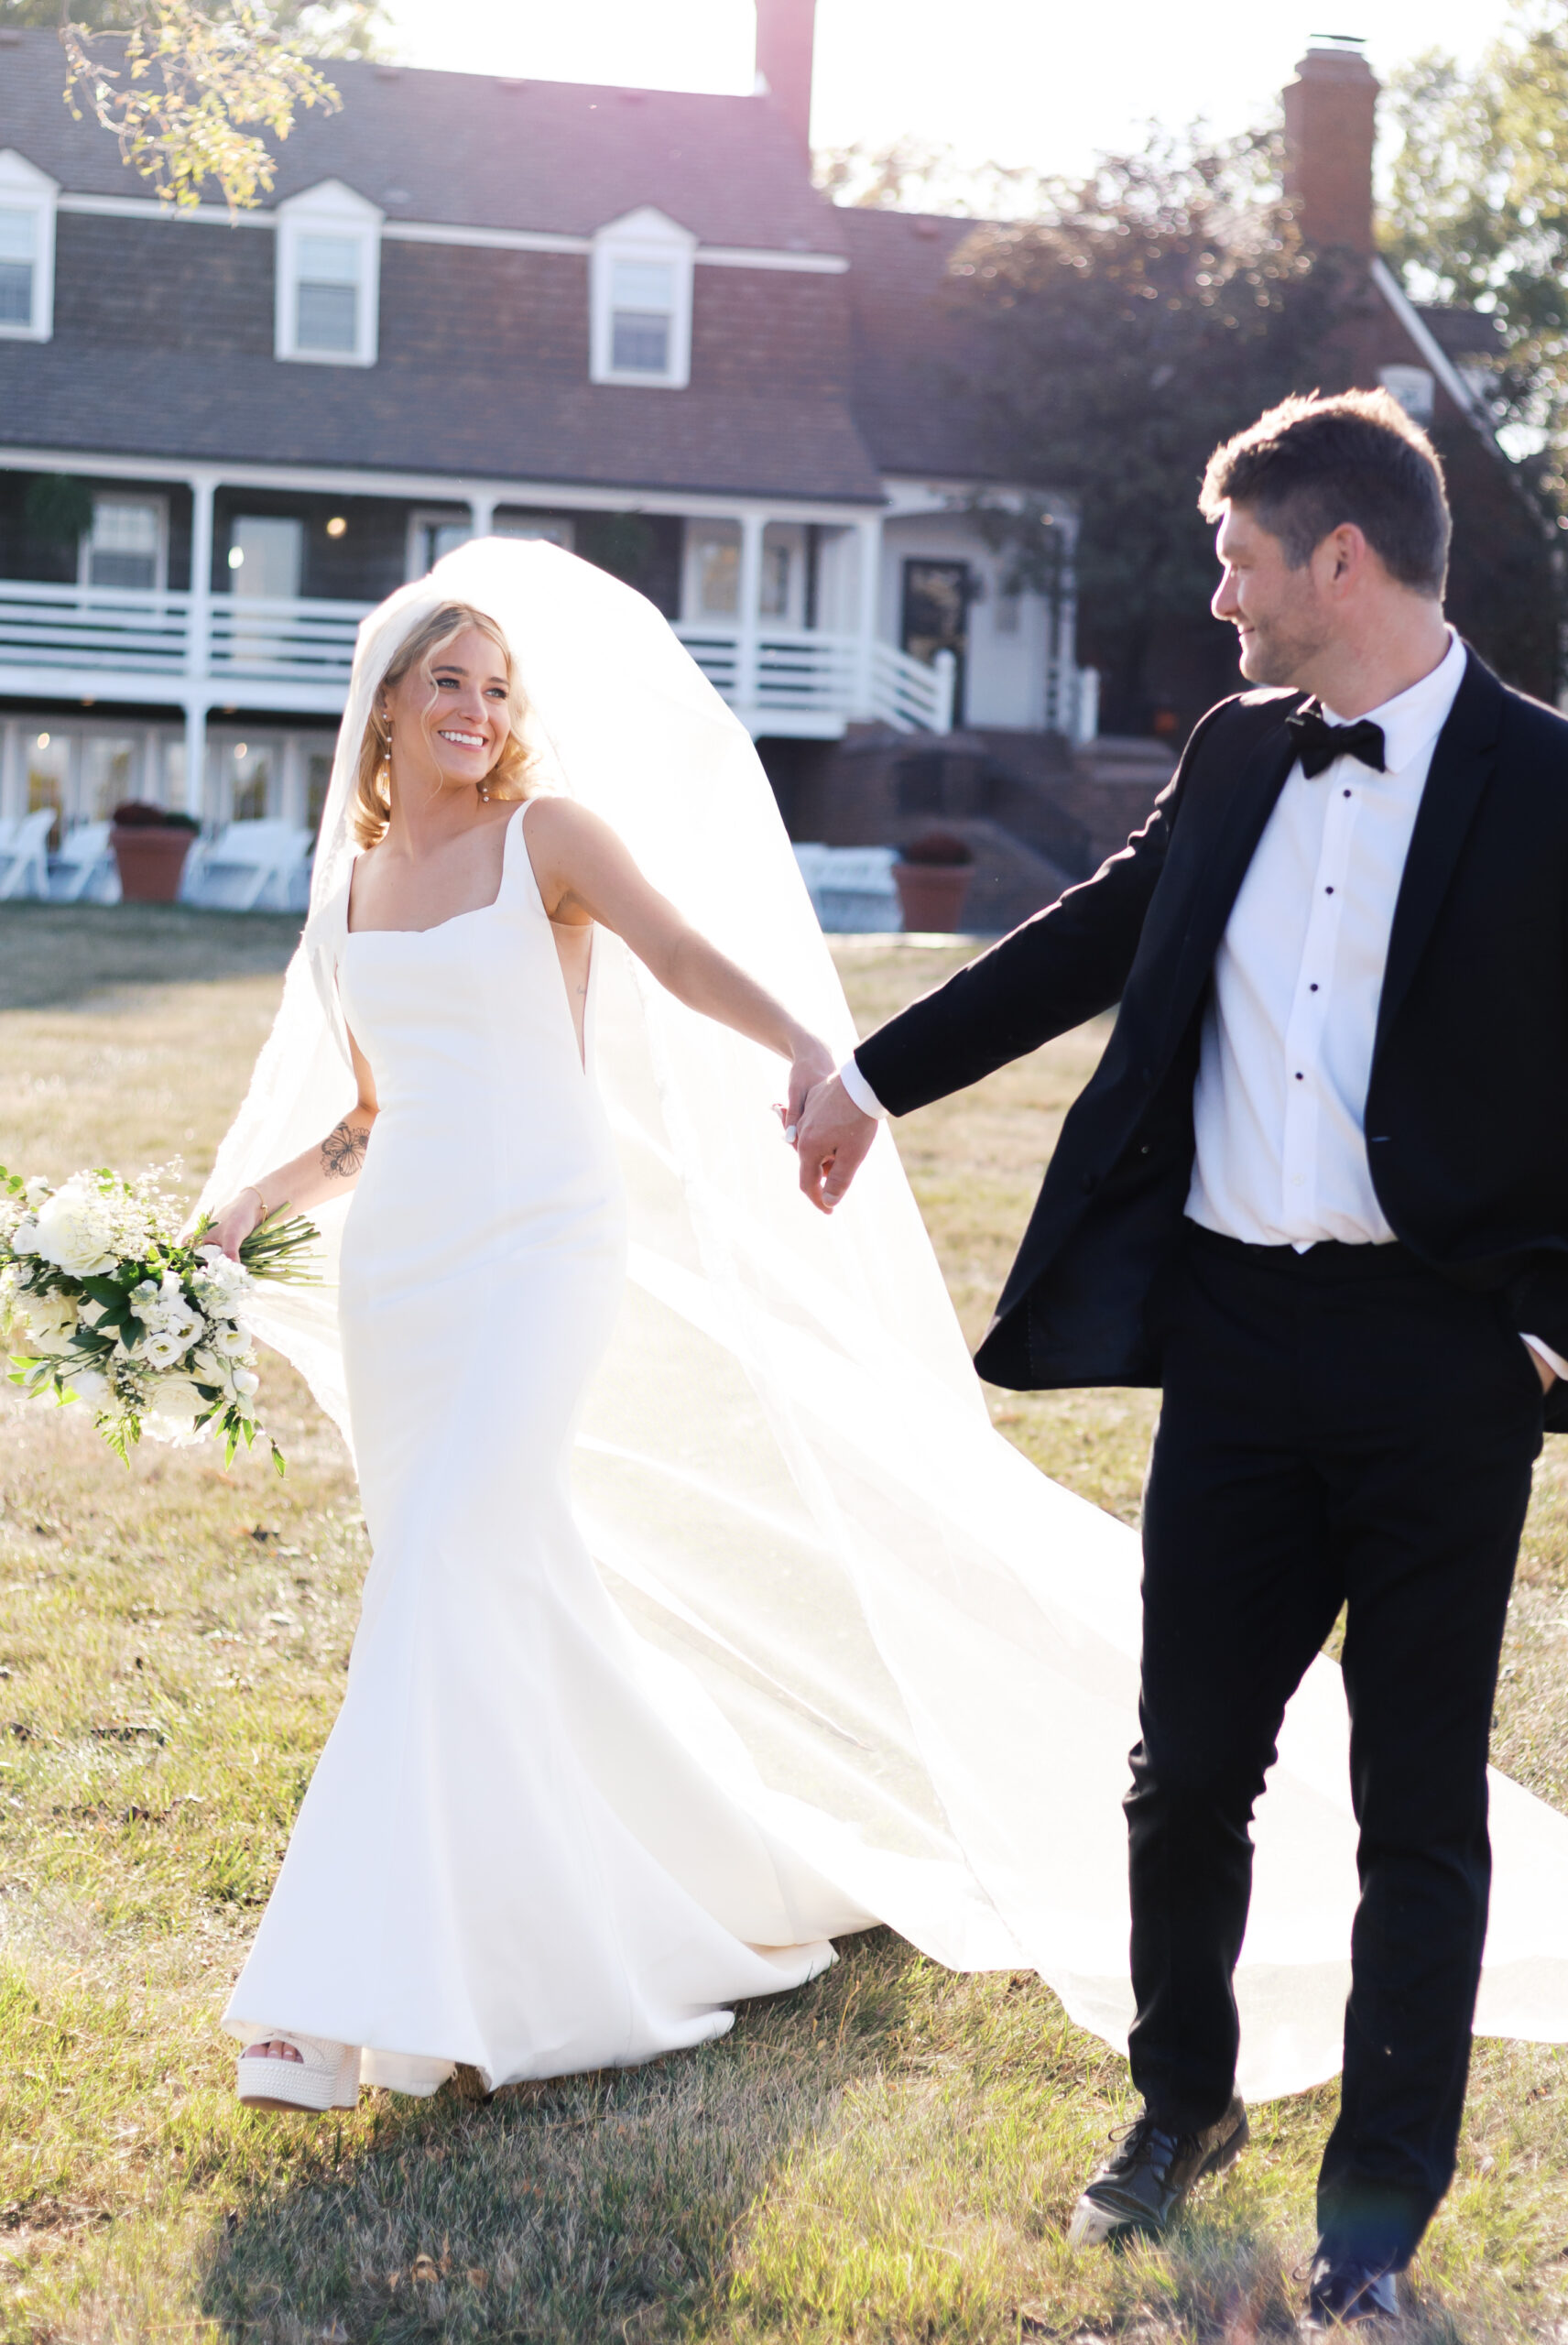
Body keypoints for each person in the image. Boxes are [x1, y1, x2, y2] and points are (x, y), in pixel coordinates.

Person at [791, 388, 1568, 2329]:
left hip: (1445, 1359)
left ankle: (1372, 2215)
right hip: (1235, 1337)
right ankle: (1179, 2104)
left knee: (1410, 1798)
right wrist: (868, 1071)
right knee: (1183, 1769)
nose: (1215, 597)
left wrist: (1552, 1325)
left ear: (1335, 562)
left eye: (1235, 561)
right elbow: (1095, 932)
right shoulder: (1231, 749)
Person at [210, 594, 864, 2110]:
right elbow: (375, 1113)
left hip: (542, 1247)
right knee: (488, 1592)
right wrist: (258, 1195)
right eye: (447, 682)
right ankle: (690, 1868)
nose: (478, 711)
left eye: (497, 689)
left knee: (440, 1566)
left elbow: (682, 952)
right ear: (383, 706)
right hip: (405, 1279)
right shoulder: (351, 891)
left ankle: (319, 2003)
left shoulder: (546, 837)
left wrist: (808, 1049)